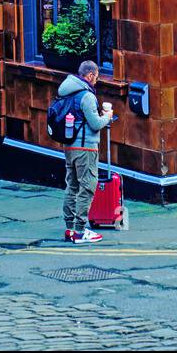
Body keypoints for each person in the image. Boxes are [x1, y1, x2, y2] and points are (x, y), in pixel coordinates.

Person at [58, 59, 112, 244]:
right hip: (86, 148)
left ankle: (69, 229)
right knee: (87, 187)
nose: (96, 81)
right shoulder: (87, 96)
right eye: (95, 77)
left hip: (69, 146)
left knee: (71, 186)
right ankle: (80, 232)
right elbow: (96, 123)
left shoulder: (66, 91)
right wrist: (107, 117)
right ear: (89, 75)